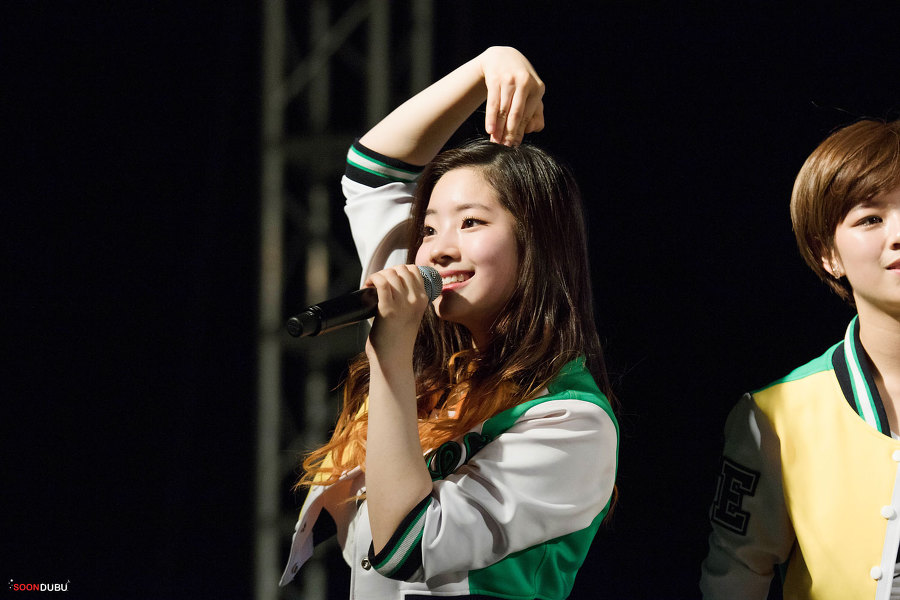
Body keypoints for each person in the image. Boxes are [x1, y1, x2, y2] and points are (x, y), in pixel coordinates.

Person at [279, 47, 619, 599]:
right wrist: (487, 66)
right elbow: (374, 169)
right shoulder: (431, 340)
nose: (438, 250)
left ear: (537, 244)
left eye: (471, 222)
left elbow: (406, 547)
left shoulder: (570, 421)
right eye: (429, 228)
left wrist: (389, 358)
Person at [700, 119, 900, 599]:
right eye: (870, 218)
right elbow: (735, 580)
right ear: (827, 253)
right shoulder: (773, 415)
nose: (898, 234)